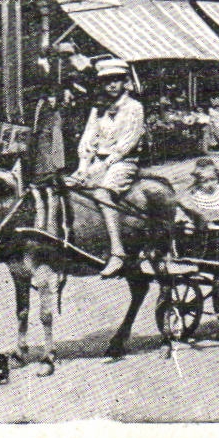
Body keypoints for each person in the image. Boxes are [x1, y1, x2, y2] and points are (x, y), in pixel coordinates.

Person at [70, 58, 145, 277]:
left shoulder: (134, 108)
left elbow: (127, 144)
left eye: (116, 81)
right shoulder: (99, 108)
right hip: (97, 162)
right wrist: (83, 167)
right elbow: (88, 140)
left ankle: (117, 251)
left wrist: (100, 168)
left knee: (102, 193)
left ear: (125, 83)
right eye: (107, 82)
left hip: (123, 162)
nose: (112, 86)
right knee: (70, 188)